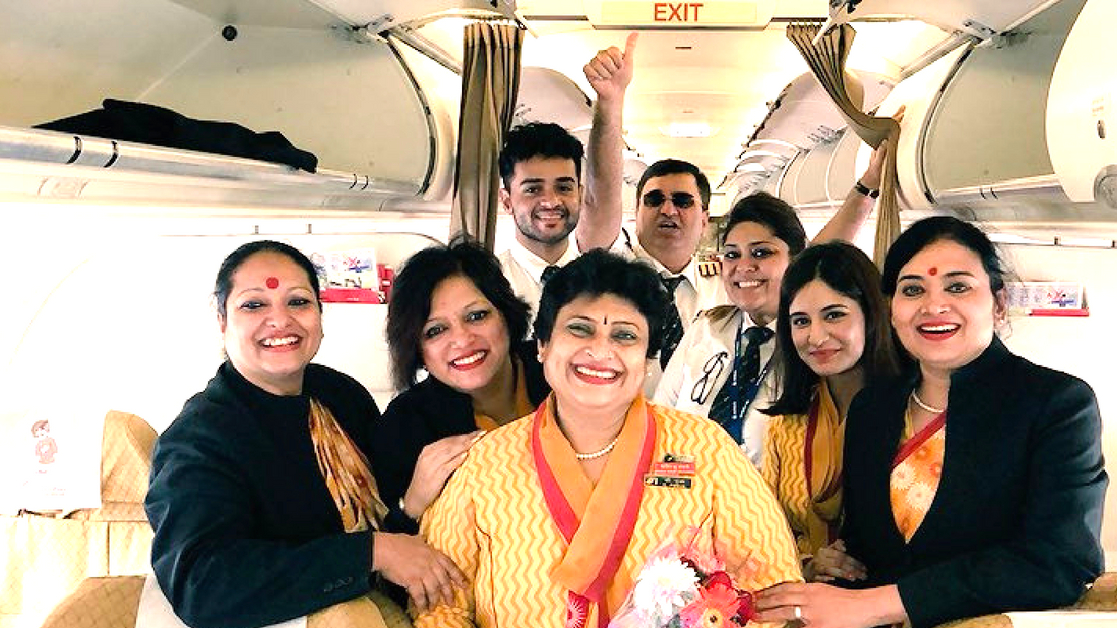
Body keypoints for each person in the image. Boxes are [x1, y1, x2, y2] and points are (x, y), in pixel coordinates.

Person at [413, 250, 802, 628]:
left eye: (625, 336)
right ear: (543, 346)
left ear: (648, 360)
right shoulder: (483, 464)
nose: (600, 350)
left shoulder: (706, 448)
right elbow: (439, 604)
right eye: (579, 329)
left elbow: (773, 587)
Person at [756, 217, 1108, 628]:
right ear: (891, 310)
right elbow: (872, 550)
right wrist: (841, 562)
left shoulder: (1055, 405)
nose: (933, 306)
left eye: (957, 287)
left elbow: (1060, 563)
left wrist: (881, 603)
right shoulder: (874, 409)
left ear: (998, 302)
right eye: (912, 290)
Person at [145, 240, 464, 628]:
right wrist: (369, 553)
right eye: (253, 304)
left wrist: (410, 508)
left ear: (320, 314)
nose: (280, 321)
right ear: (222, 321)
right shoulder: (198, 439)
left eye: (298, 302)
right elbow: (202, 583)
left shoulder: (339, 396)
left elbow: (378, 518)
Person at [581, 33, 891, 371]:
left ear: (704, 217)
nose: (668, 209)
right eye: (654, 200)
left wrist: (866, 187)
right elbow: (600, 197)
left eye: (683, 201)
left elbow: (814, 259)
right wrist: (609, 103)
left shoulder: (730, 282)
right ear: (635, 210)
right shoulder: (610, 270)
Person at [373, 238, 550, 531]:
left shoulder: (558, 373)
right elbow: (388, 555)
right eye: (436, 330)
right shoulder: (403, 427)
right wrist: (412, 505)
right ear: (417, 349)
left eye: (477, 316)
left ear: (506, 315)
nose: (463, 340)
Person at [758, 241, 902, 581]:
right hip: (804, 600)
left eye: (834, 315)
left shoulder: (912, 413)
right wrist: (808, 564)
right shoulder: (787, 424)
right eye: (800, 321)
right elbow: (767, 529)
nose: (816, 337)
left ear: (871, 314)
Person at [652, 192, 807, 465]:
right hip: (689, 498)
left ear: (795, 261)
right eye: (732, 255)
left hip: (768, 503)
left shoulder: (809, 346)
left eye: (761, 252)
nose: (744, 267)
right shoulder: (705, 329)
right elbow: (660, 421)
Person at [495, 122, 620, 321]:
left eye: (563, 188)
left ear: (579, 195)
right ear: (507, 201)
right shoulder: (489, 286)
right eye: (533, 189)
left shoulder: (605, 282)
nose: (551, 202)